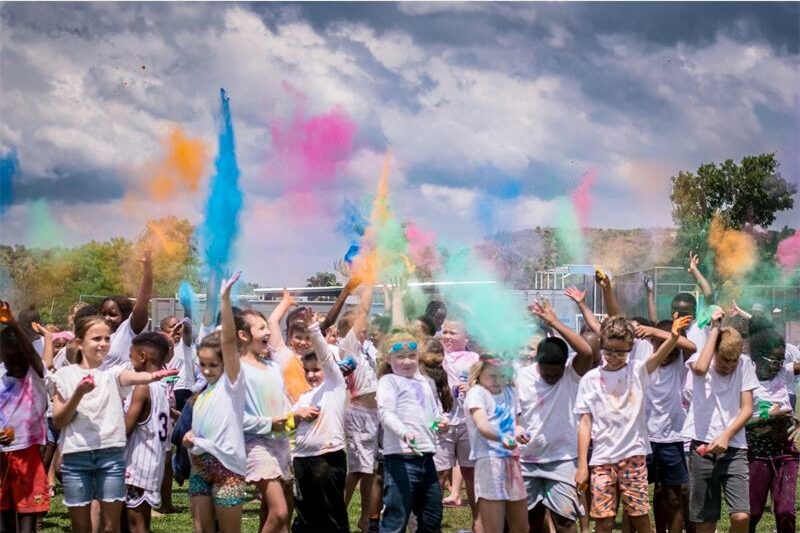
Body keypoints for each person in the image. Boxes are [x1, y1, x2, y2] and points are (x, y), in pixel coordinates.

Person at [51, 315, 177, 533]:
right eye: (96, 338)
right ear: (79, 343)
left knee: (111, 527)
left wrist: (154, 375)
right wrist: (79, 393)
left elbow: (132, 377)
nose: (103, 344)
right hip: (76, 457)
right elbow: (60, 419)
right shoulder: (63, 376)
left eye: (107, 338)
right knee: (81, 527)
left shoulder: (113, 373)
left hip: (110, 457)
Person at [575, 314, 690, 533]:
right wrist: (582, 465)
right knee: (603, 519)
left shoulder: (637, 371)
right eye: (609, 352)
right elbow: (585, 423)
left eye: (621, 352)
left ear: (631, 347)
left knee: (639, 515)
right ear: (601, 346)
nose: (615, 357)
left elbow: (657, 358)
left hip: (633, 456)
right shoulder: (590, 380)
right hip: (601, 459)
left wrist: (673, 338)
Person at [519, 299, 594, 533]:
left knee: (565, 521)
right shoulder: (521, 377)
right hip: (526, 461)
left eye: (556, 371)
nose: (552, 375)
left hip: (562, 459)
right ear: (536, 362)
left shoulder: (572, 374)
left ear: (565, 365)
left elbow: (587, 350)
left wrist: (554, 322)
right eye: (546, 371)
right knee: (529, 521)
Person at [681, 307, 757, 533]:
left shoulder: (744, 365)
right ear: (714, 351)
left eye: (732, 363)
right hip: (702, 446)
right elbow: (702, 369)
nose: (728, 368)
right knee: (705, 519)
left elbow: (747, 409)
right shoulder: (700, 359)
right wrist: (715, 329)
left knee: (741, 516)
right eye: (723, 363)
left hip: (734, 449)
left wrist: (726, 435)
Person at [183, 272, 246, 533]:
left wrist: (223, 298)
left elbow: (229, 342)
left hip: (227, 468)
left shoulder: (232, 384)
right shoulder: (203, 392)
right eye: (203, 364)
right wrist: (189, 435)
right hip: (199, 467)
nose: (207, 370)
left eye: (213, 365)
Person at [377, 328, 449, 533]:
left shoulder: (425, 384)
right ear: (389, 359)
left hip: (426, 457)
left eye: (412, 356)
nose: (407, 361)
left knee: (432, 516)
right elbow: (386, 413)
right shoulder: (388, 381)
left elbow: (434, 414)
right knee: (396, 518)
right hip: (400, 459)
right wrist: (404, 433)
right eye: (400, 357)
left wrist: (441, 423)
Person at [631, 319, 697, 533]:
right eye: (662, 349)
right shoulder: (644, 358)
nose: (667, 355)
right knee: (637, 499)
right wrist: (654, 335)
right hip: (643, 439)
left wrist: (655, 331)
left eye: (672, 350)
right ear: (652, 345)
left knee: (672, 497)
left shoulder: (679, 363)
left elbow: (691, 347)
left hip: (671, 439)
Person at [235, 303, 294, 533]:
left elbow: (283, 401)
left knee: (279, 514)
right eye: (261, 328)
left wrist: (293, 419)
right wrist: (269, 423)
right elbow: (236, 417)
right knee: (280, 512)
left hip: (282, 442)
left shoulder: (272, 366)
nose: (268, 332)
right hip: (257, 444)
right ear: (243, 335)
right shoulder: (238, 370)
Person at [290, 308, 350, 533]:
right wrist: (296, 416)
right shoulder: (303, 398)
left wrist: (314, 329)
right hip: (301, 460)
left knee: (332, 516)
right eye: (307, 371)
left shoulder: (335, 385)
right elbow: (286, 427)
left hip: (328, 458)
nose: (312, 374)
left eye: (316, 370)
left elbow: (325, 356)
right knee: (305, 515)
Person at [0, 301, 50, 533]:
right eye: (11, 359)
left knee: (27, 516)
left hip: (28, 456)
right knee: (4, 517)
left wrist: (13, 323)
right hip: (1, 459)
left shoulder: (35, 376)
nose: (18, 365)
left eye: (22, 359)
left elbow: (32, 357)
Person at [465, 353, 529, 533]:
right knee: (493, 527)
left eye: (502, 376)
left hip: (512, 459)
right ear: (479, 372)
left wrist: (520, 433)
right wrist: (502, 437)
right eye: (492, 375)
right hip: (489, 461)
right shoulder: (477, 393)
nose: (497, 380)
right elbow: (482, 425)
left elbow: (515, 425)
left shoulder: (510, 391)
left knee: (522, 526)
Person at [745, 327, 800, 533]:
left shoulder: (784, 373)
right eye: (773, 361)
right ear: (757, 358)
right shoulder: (746, 380)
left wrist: (796, 421)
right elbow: (738, 422)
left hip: (786, 453)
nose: (778, 366)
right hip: (756, 454)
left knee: (785, 511)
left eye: (781, 361)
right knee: (753, 512)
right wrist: (769, 417)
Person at [124, 332, 174, 533]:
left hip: (137, 467)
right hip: (153, 464)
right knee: (142, 522)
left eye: (131, 355)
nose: (130, 360)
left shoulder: (143, 388)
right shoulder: (161, 386)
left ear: (142, 357)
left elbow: (126, 428)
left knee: (136, 525)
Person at [437, 318, 480, 529]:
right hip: (443, 422)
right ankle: (430, 520)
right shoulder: (437, 357)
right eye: (444, 332)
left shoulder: (474, 359)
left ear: (466, 337)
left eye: (452, 333)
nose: (446, 336)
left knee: (470, 473)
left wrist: (471, 387)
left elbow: (484, 385)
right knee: (439, 472)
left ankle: (478, 522)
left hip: (467, 423)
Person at [98, 249, 154, 369]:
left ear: (124, 315)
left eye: (112, 314)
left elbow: (143, 300)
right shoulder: (98, 336)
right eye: (103, 314)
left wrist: (147, 272)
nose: (106, 318)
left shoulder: (128, 330)